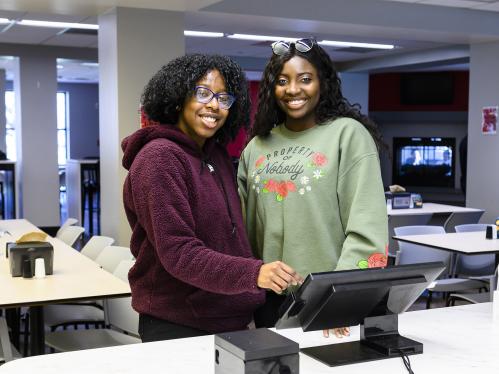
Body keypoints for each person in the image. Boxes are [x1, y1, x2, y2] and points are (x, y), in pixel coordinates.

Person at [122, 54, 302, 342]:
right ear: (178, 98)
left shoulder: (215, 155)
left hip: (228, 318)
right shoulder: (158, 159)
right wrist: (254, 273)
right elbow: (179, 253)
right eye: (203, 93)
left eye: (223, 98)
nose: (214, 105)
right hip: (178, 324)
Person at [237, 39, 388, 337]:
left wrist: (340, 298)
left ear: (323, 83)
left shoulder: (348, 135)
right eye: (282, 81)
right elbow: (242, 229)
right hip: (269, 300)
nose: (293, 89)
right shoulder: (257, 146)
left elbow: (367, 229)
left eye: (305, 79)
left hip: (328, 300)